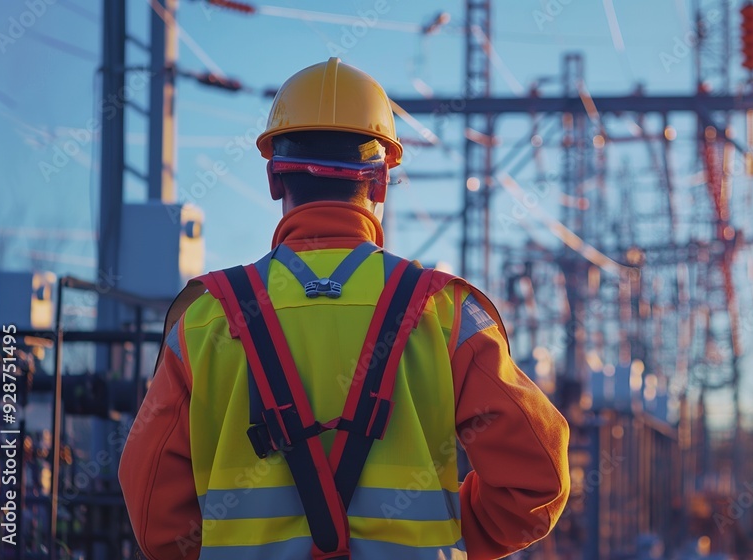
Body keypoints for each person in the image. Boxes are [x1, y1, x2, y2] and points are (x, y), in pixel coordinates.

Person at [119, 58, 570, 560]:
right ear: (379, 184)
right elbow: (537, 481)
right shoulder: (446, 315)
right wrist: (451, 534)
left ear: (274, 180)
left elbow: (151, 502)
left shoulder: (204, 321)